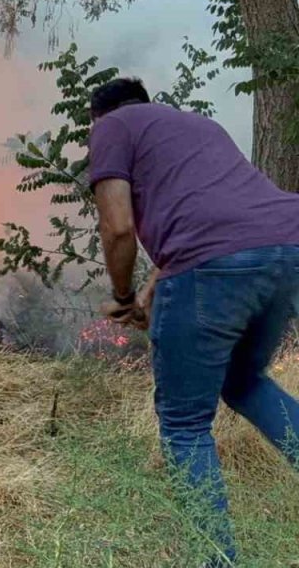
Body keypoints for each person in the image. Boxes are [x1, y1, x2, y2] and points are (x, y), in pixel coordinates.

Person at [90, 77, 299, 565]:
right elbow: (219, 219)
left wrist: (122, 297)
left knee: (185, 424)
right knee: (244, 382)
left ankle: (214, 559)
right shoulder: (197, 127)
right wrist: (149, 289)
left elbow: (117, 226)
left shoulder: (110, 127)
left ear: (96, 117)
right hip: (287, 249)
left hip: (216, 266)